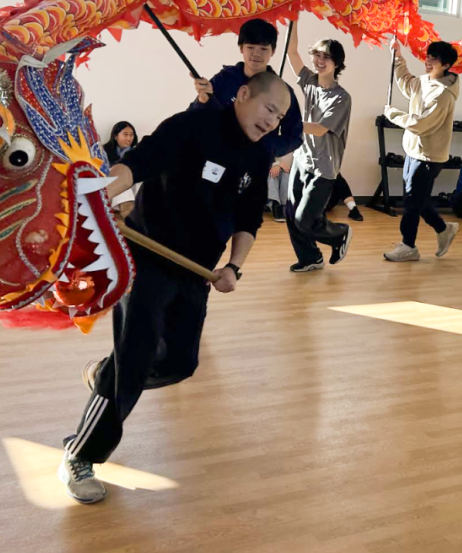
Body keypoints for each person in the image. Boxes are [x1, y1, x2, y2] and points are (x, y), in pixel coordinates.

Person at [59, 70, 290, 504]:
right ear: (243, 94)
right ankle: (80, 454)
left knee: (182, 362)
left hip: (196, 272)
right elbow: (138, 163)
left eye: (279, 117)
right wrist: (106, 190)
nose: (272, 121)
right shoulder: (190, 126)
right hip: (147, 261)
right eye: (269, 109)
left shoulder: (260, 156)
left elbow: (249, 219)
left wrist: (233, 268)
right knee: (134, 362)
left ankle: (106, 374)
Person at [382, 40, 461, 262]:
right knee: (417, 199)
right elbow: (407, 82)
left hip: (428, 157)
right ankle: (443, 228)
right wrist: (397, 55)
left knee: (411, 203)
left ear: (445, 65)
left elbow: (422, 124)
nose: (427, 61)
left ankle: (409, 246)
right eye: (427, 56)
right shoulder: (425, 80)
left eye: (433, 59)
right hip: (414, 151)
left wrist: (394, 115)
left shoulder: (443, 94)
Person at [283, 22, 353, 272]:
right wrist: (294, 15)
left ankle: (339, 233)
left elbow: (321, 128)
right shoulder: (310, 82)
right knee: (291, 214)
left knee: (305, 219)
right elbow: (292, 52)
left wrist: (286, 122)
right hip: (303, 159)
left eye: (327, 57)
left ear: (337, 64)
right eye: (318, 55)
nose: (320, 60)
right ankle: (310, 258)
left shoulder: (341, 97)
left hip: (324, 167)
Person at [192, 17, 303, 159]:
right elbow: (196, 116)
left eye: (264, 49)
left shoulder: (283, 91)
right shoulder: (224, 79)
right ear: (241, 48)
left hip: (254, 166)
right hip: (218, 158)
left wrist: (266, 149)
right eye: (250, 47)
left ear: (273, 51)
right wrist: (202, 100)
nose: (256, 54)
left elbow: (295, 136)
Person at [103, 121, 139, 217]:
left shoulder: (136, 153)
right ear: (115, 136)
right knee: (120, 179)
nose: (129, 138)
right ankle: (128, 213)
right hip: (112, 191)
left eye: (131, 135)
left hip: (132, 189)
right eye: (125, 134)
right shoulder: (104, 152)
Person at [267, 153, 293, 223]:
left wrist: (280, 166)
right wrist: (276, 164)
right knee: (273, 173)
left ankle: (283, 205)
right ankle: (276, 203)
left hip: (288, 169)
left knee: (285, 174)